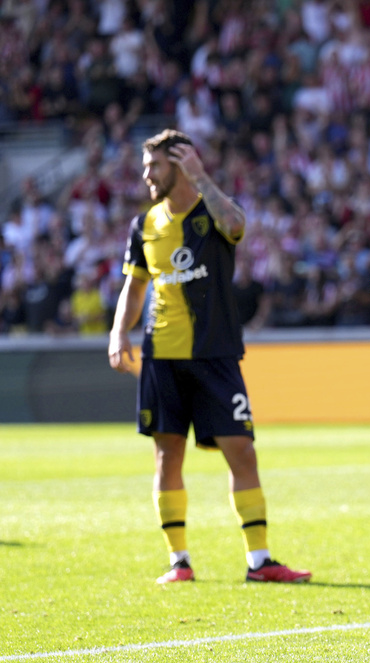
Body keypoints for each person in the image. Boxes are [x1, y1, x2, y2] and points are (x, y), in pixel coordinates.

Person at [108, 129, 311, 585]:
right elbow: (135, 285)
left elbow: (237, 226)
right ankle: (179, 561)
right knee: (168, 456)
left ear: (180, 165)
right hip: (162, 356)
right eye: (145, 166)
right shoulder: (144, 225)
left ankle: (259, 561)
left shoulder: (213, 212)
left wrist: (201, 177)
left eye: (154, 166)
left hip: (215, 354)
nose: (146, 175)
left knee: (241, 451)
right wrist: (118, 331)